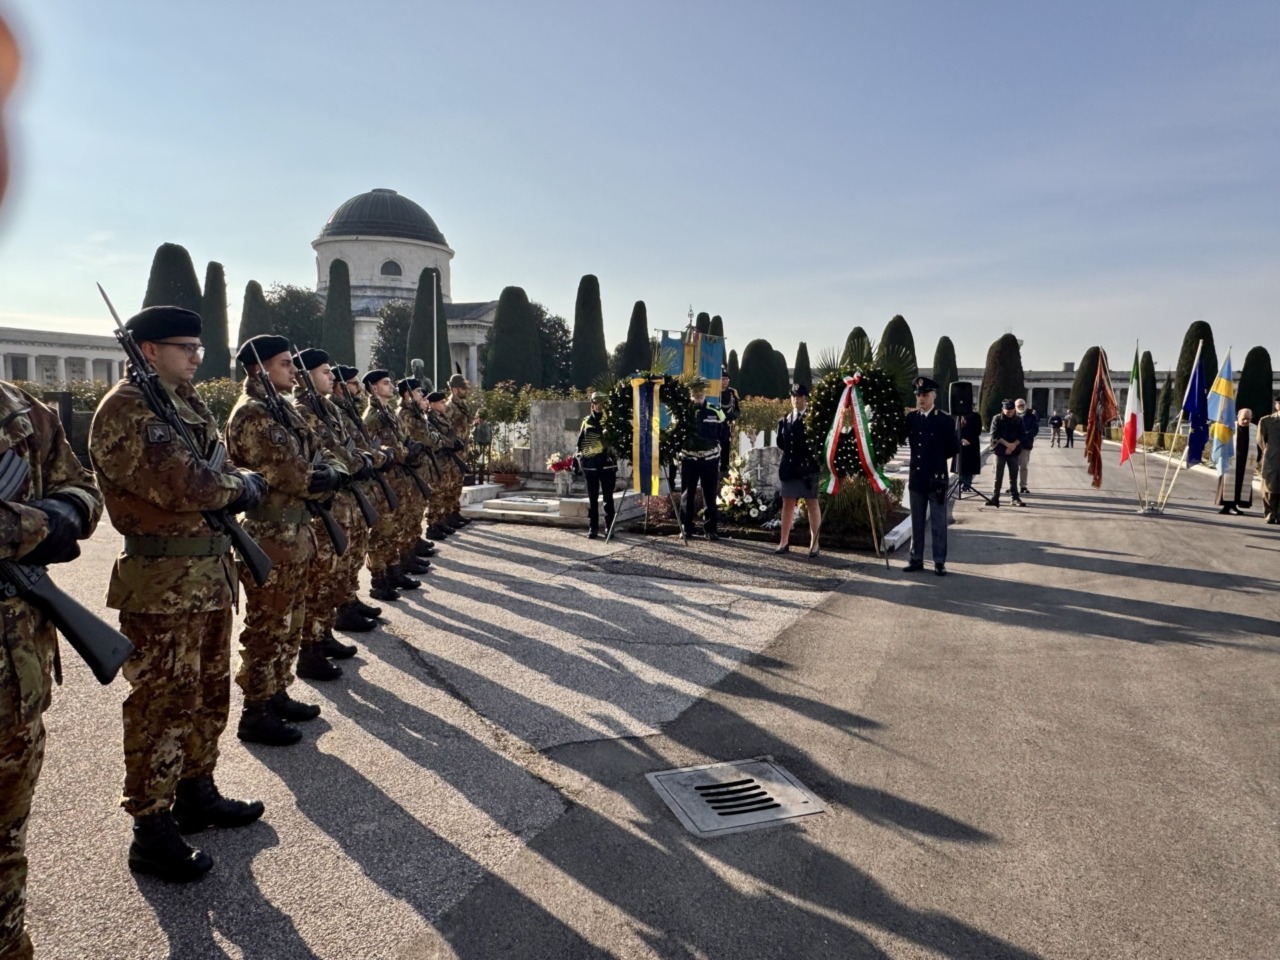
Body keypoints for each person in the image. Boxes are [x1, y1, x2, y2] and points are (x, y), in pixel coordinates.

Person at [90, 306, 267, 883]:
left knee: (209, 693)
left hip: (208, 579)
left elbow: (207, 479)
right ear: (147, 350)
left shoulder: (183, 402)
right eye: (184, 346)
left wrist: (228, 489)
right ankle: (151, 828)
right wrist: (242, 486)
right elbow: (186, 484)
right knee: (162, 703)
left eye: (199, 348)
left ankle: (197, 791)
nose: (196, 355)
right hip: (162, 586)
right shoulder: (127, 410)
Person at [1, 21, 106, 957]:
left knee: (6, 852)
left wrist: (44, 518)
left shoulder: (28, 414)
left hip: (14, 667)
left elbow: (85, 493)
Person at [226, 335, 348, 746]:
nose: (293, 370)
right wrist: (324, 478)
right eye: (284, 364)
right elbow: (293, 474)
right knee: (267, 625)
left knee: (291, 620)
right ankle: (255, 710)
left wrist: (329, 471)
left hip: (296, 533)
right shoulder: (254, 415)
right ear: (259, 368)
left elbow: (323, 454)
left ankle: (276, 692)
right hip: (271, 535)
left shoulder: (284, 411)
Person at [291, 348, 376, 683]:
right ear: (306, 376)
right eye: (325, 372)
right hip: (326, 507)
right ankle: (310, 649)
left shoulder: (328, 408)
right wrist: (355, 463)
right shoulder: (302, 411)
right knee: (320, 579)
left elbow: (347, 445)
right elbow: (331, 453)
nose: (332, 377)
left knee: (335, 574)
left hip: (344, 502)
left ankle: (323, 635)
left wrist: (359, 460)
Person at [362, 369, 423, 598]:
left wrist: (410, 448)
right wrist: (406, 452)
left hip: (398, 480)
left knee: (394, 528)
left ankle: (393, 570)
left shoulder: (388, 413)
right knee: (382, 532)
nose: (391, 386)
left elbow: (402, 438)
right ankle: (379, 580)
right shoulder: (373, 416)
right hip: (383, 482)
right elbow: (377, 448)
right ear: (374, 388)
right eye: (386, 383)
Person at [903, 378, 960, 575]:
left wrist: (934, 458)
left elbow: (953, 448)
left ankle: (939, 561)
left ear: (933, 395)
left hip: (936, 478)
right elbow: (901, 437)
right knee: (916, 521)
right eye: (918, 395)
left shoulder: (944, 420)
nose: (921, 399)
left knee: (938, 522)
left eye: (925, 395)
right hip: (917, 478)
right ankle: (916, 558)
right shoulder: (912, 419)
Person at [774, 383, 821, 557]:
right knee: (787, 503)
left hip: (807, 469)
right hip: (789, 468)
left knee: (811, 503)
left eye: (800, 396)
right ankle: (784, 541)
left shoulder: (813, 419)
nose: (796, 399)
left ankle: (814, 543)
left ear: (805, 398)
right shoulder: (785, 419)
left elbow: (817, 443)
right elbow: (781, 443)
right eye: (794, 396)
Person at [680, 378, 728, 541]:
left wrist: (724, 461)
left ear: (705, 392)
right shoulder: (683, 411)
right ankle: (686, 529)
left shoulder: (716, 411)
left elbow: (724, 436)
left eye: (701, 391)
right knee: (688, 495)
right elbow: (677, 436)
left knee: (710, 495)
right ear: (690, 393)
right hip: (689, 460)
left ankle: (711, 529)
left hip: (710, 460)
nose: (698, 394)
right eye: (695, 391)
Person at [575, 391, 618, 539]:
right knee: (592, 499)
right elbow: (579, 443)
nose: (599, 406)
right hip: (591, 466)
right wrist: (578, 458)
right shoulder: (586, 421)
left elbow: (617, 443)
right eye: (596, 403)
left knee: (608, 498)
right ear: (592, 405)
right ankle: (593, 527)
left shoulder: (611, 421)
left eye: (602, 403)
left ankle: (609, 527)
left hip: (607, 465)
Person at [441, 373, 473, 529]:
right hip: (453, 453)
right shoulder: (449, 407)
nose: (465, 391)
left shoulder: (462, 405)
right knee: (450, 484)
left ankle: (454, 512)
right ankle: (447, 515)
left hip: (462, 451)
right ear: (454, 389)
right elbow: (443, 427)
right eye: (462, 388)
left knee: (457, 484)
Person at [1218, 407, 1254, 515]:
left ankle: (1235, 505)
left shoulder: (1254, 429)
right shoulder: (1230, 428)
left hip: (1245, 461)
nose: (1246, 421)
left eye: (1248, 419)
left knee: (1240, 484)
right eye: (1243, 418)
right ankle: (1226, 506)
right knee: (1228, 483)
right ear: (1238, 417)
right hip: (1230, 460)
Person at [989, 400, 1024, 507]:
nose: (1010, 413)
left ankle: (1015, 498)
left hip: (1014, 450)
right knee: (998, 475)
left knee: (1013, 476)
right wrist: (1008, 445)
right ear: (1002, 410)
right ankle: (995, 497)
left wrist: (1013, 445)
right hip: (999, 450)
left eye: (1012, 411)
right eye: (1007, 412)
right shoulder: (997, 419)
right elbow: (994, 435)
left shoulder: (1018, 419)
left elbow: (1022, 435)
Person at [1257, 397, 1280, 524]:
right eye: (1279, 403)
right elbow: (1261, 440)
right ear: (1276, 405)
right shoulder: (1266, 421)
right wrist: (1269, 451)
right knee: (1269, 488)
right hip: (1272, 458)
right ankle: (1270, 513)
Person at [718, 372, 741, 472]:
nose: (725, 381)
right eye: (723, 379)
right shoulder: (715, 392)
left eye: (727, 379)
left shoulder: (732, 393)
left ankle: (724, 471)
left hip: (727, 425)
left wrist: (733, 416)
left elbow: (737, 409)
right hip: (716, 424)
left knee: (726, 449)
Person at [1015, 399, 1038, 494]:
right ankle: (1012, 486)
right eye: (1019, 405)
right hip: (1013, 445)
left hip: (1025, 445)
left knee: (1023, 466)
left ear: (1026, 405)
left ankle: (1023, 486)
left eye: (1022, 405)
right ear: (1015, 406)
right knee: (1013, 467)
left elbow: (1035, 429)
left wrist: (1025, 435)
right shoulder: (1012, 415)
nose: (1021, 407)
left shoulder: (1031, 416)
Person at [955, 409, 982, 491]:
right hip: (961, 443)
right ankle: (962, 482)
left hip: (972, 443)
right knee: (962, 464)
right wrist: (962, 439)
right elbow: (957, 430)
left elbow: (978, 430)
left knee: (970, 465)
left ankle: (967, 484)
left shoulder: (976, 416)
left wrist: (970, 440)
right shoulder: (959, 415)